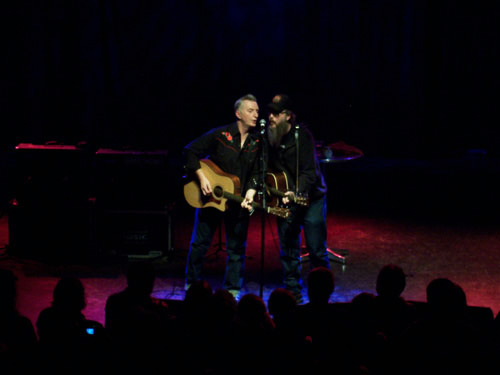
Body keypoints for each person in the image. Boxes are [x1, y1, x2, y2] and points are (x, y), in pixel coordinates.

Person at [183, 93, 261, 300]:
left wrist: (251, 192)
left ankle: (232, 290)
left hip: (236, 201)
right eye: (250, 111)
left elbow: (257, 173)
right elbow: (190, 151)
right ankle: (191, 285)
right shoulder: (220, 135)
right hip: (212, 199)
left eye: (257, 111)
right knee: (200, 243)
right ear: (238, 113)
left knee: (237, 249)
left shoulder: (257, 142)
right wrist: (201, 177)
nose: (255, 115)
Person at [266, 93, 330, 303]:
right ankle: (293, 294)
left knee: (316, 249)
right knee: (288, 248)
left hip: (311, 198)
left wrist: (296, 193)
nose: (271, 117)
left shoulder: (302, 137)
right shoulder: (269, 136)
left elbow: (309, 173)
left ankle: (321, 296)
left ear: (287, 115)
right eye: (270, 112)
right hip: (286, 199)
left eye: (276, 113)